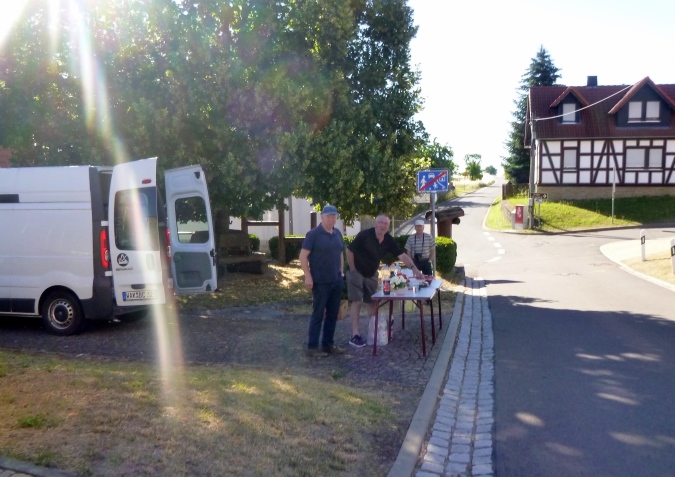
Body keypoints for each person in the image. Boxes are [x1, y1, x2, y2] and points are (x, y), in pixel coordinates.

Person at [345, 214, 423, 347]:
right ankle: (355, 335)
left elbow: (402, 256)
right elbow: (349, 250)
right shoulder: (364, 235)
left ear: (388, 226)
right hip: (356, 271)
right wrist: (352, 269)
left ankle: (375, 330)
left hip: (371, 273)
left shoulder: (388, 239)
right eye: (380, 222)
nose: (382, 225)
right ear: (375, 224)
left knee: (373, 301)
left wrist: (414, 269)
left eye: (385, 224)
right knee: (357, 301)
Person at [299, 205, 346, 357]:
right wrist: (308, 275)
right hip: (320, 281)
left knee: (333, 314)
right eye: (328, 217)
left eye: (334, 217)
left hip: (336, 280)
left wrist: (341, 272)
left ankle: (328, 344)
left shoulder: (337, 233)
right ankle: (312, 347)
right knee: (318, 313)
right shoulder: (313, 234)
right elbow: (303, 256)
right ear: (322, 217)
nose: (331, 219)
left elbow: (340, 253)